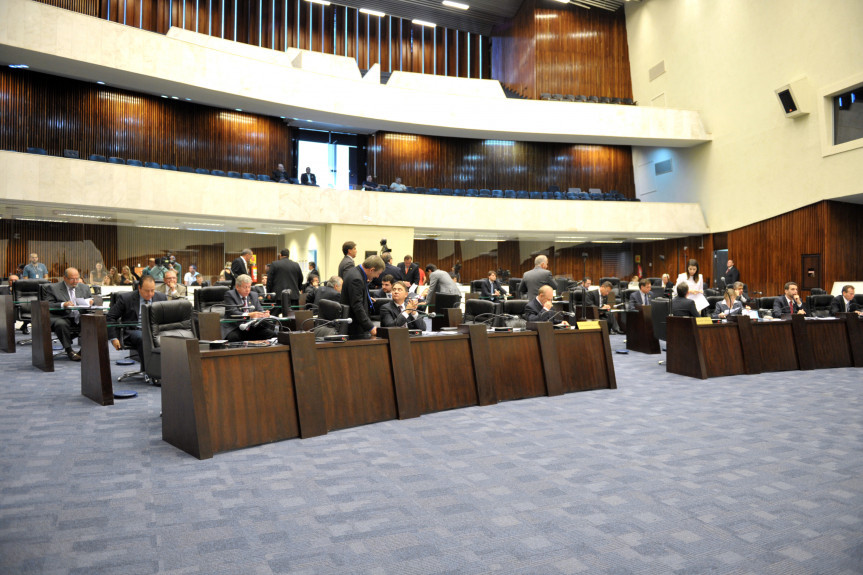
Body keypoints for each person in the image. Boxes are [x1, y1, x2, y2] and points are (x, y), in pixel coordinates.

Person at [107, 275, 167, 360]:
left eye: (152, 290)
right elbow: (110, 317)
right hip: (134, 331)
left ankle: (164, 368)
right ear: (139, 287)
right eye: (146, 291)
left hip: (155, 330)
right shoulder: (126, 298)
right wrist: (113, 338)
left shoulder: (161, 297)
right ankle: (148, 370)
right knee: (144, 338)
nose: (150, 294)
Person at [45, 268, 93, 362]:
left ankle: (82, 352)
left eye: (77, 278)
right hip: (61, 316)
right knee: (61, 324)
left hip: (79, 316)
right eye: (72, 279)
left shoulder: (85, 287)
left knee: (93, 323)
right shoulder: (53, 288)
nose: (75, 281)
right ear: (65, 278)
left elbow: (90, 301)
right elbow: (48, 304)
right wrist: (63, 304)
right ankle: (69, 350)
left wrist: (91, 302)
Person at [221, 274, 275, 342]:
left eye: (249, 287)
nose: (247, 290)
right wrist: (249, 315)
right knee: (234, 338)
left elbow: (259, 309)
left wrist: (264, 314)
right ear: (237, 287)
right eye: (245, 287)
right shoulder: (230, 294)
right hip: (235, 327)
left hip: (251, 328)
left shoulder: (254, 295)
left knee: (271, 334)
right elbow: (233, 312)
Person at [341, 255, 385, 339]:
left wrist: (366, 298)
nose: (377, 277)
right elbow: (357, 306)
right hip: (355, 327)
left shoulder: (356, 272)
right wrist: (370, 327)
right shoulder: (356, 279)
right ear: (371, 270)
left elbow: (355, 296)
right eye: (378, 273)